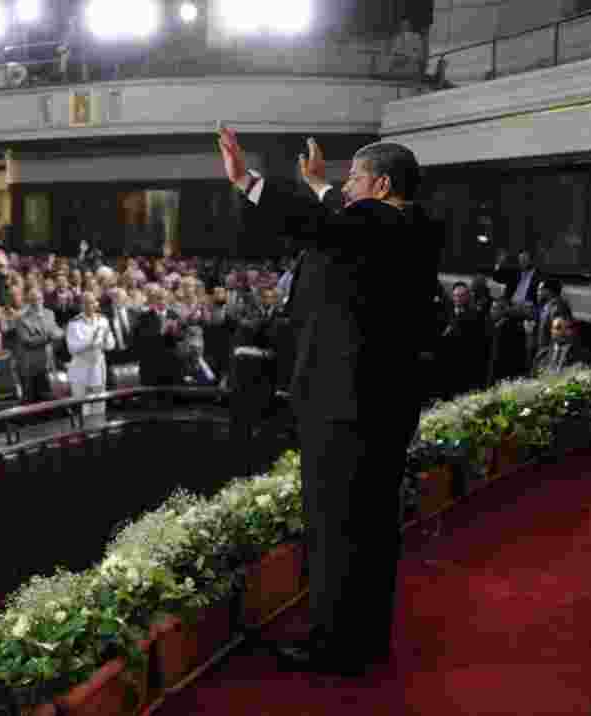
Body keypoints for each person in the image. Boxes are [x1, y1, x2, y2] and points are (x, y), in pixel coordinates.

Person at [219, 128, 443, 676]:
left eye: (354, 181)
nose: (346, 190)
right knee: (367, 527)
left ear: (382, 185)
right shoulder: (401, 228)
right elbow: (335, 227)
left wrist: (247, 181)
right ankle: (360, 638)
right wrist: (320, 186)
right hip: (373, 401)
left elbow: (322, 223)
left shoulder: (383, 220)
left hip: (348, 405)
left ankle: (335, 646)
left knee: (337, 525)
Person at [65, 291, 115, 418]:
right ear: (82, 305)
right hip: (81, 367)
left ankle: (98, 432)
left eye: (93, 302)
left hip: (98, 365)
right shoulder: (74, 323)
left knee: (99, 403)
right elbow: (72, 349)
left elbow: (111, 345)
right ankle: (84, 434)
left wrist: (105, 341)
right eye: (87, 303)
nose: (90, 305)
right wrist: (89, 342)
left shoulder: (103, 320)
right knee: (83, 405)